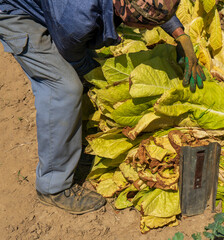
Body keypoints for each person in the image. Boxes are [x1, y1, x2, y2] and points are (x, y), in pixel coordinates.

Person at [0, 0, 205, 215]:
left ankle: (76, 138)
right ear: (128, 16)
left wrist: (180, 34)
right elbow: (73, 57)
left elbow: (153, 4)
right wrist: (102, 80)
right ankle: (53, 187)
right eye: (148, 25)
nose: (150, 30)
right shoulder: (77, 20)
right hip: (15, 12)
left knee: (88, 64)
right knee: (64, 87)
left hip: (55, 10)